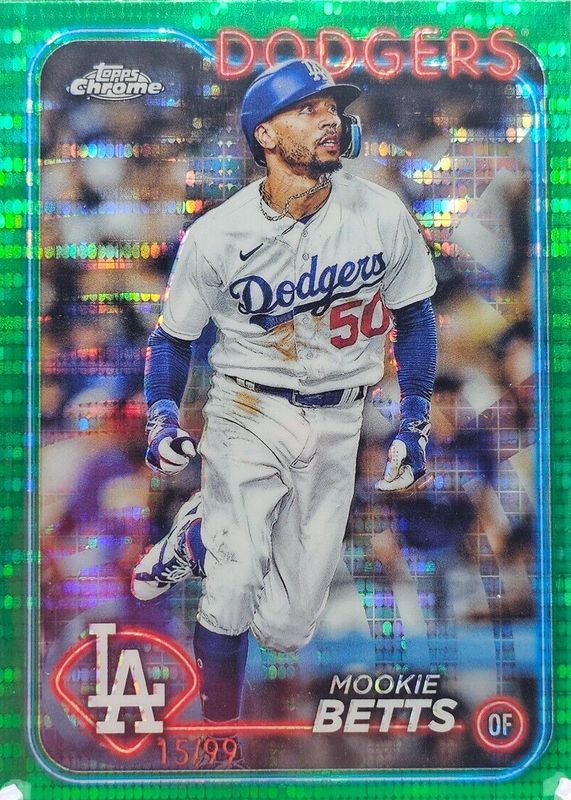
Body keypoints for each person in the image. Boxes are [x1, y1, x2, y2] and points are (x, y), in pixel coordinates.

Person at [131, 58, 437, 769]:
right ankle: (219, 736)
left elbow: (416, 317)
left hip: (341, 418)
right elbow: (172, 340)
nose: (329, 118)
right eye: (308, 108)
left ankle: (196, 537)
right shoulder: (218, 233)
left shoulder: (380, 212)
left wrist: (414, 419)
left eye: (332, 107)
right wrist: (162, 416)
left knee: (289, 626)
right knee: (235, 585)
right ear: (264, 135)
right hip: (248, 406)